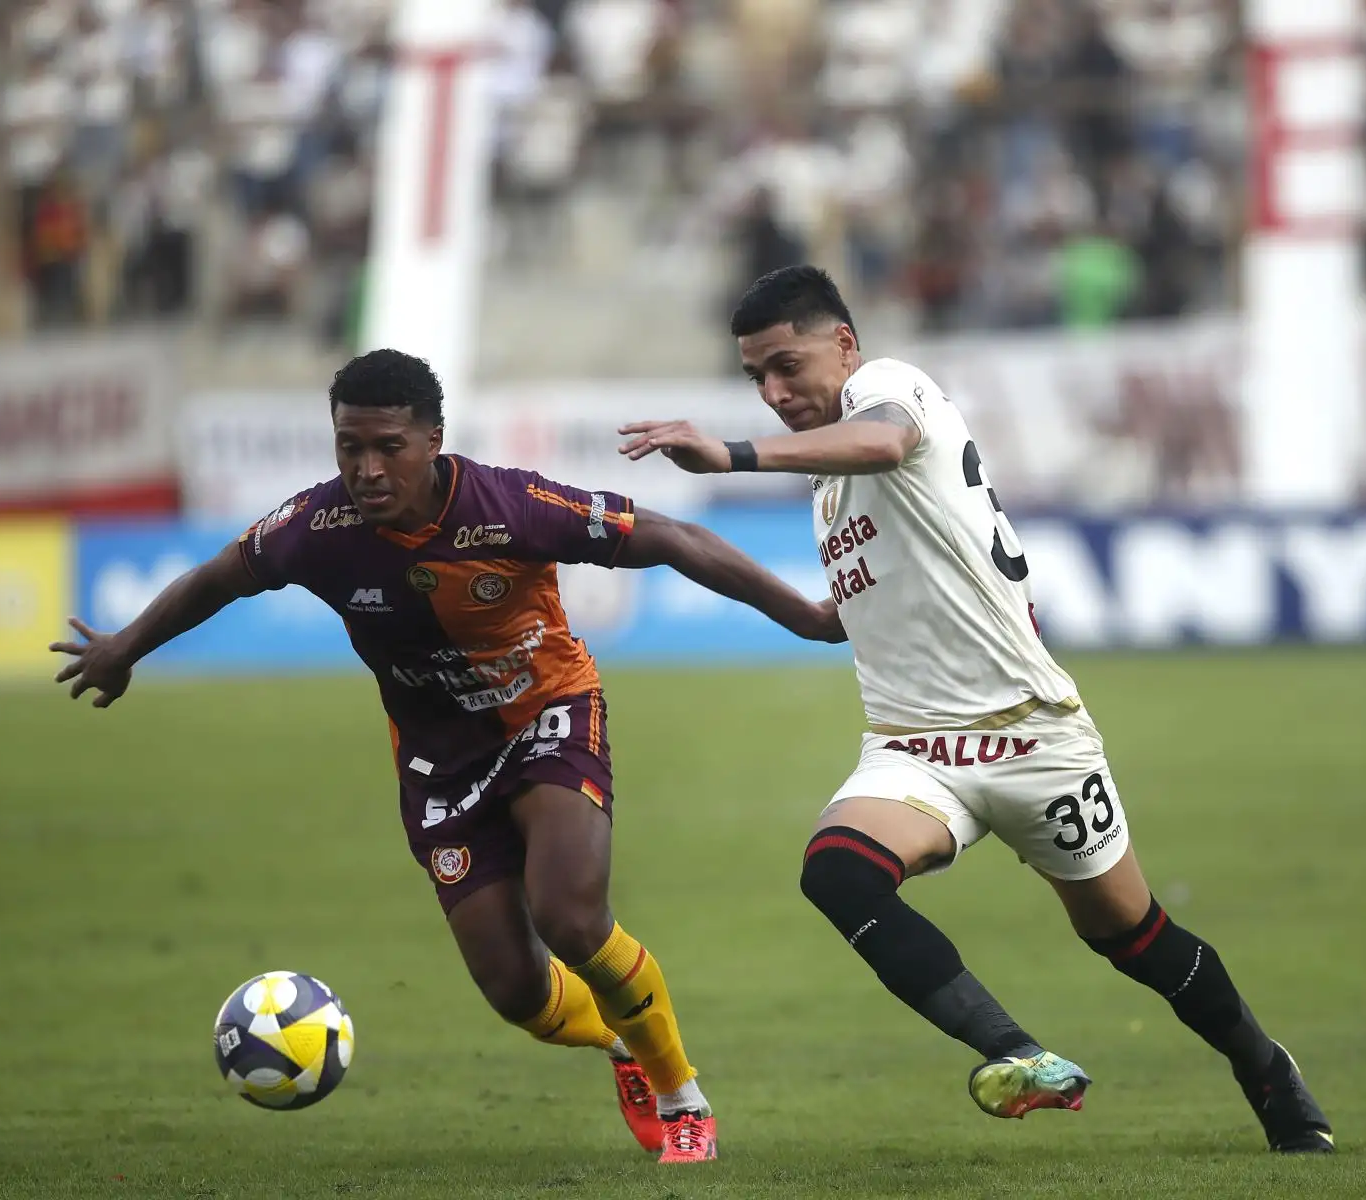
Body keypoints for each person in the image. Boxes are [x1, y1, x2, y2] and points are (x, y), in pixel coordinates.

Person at [51, 349, 843, 1164]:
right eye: (349, 447)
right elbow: (221, 575)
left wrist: (805, 617)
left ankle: (681, 1096)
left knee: (569, 917)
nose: (366, 468)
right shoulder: (314, 529)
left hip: (548, 715)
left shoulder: (508, 505)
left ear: (433, 439)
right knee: (517, 993)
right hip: (441, 767)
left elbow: (669, 537)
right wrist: (125, 649)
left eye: (387, 446)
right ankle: (621, 1041)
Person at [617, 266, 1333, 1151]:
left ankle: (1264, 1065)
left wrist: (727, 454)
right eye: (754, 379)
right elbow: (825, 619)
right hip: (914, 750)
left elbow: (880, 443)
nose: (772, 392)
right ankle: (1016, 1054)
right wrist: (691, 550)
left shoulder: (891, 388)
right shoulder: (831, 487)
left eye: (785, 366)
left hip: (1033, 735)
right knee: (836, 872)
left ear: (842, 342)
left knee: (1133, 937)